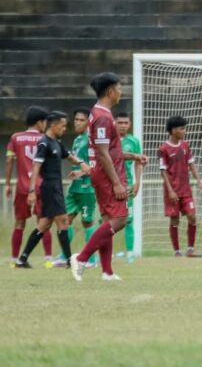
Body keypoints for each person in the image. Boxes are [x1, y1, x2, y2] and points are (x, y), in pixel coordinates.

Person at [70, 72, 147, 281]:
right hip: (107, 175)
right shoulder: (103, 117)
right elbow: (103, 153)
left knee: (108, 220)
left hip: (101, 173)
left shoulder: (98, 113)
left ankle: (107, 271)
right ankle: (82, 257)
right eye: (120, 88)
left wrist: (132, 156)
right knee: (121, 219)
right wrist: (116, 183)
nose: (121, 92)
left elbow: (108, 149)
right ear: (111, 91)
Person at [15, 111, 90, 268]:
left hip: (55, 187)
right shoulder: (44, 143)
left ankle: (22, 259)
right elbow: (36, 167)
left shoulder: (57, 142)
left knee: (44, 224)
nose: (65, 128)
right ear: (53, 126)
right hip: (49, 187)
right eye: (62, 125)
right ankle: (70, 261)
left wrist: (81, 163)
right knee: (63, 222)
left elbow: (68, 155)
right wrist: (31, 192)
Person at [5, 106, 52, 267]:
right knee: (44, 222)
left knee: (19, 223)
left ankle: (13, 259)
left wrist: (8, 184)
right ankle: (48, 259)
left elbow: (9, 160)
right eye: (45, 122)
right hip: (41, 186)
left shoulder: (15, 138)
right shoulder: (45, 138)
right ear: (40, 122)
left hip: (23, 187)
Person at [53, 108, 98, 268]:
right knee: (65, 220)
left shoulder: (92, 140)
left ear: (88, 122)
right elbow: (75, 159)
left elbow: (99, 164)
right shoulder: (78, 140)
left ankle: (91, 260)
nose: (77, 123)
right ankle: (64, 255)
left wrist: (83, 172)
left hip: (88, 188)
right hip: (75, 188)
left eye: (81, 120)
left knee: (88, 222)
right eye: (76, 119)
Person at [159, 116, 202, 257]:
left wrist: (199, 180)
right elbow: (163, 171)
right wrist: (170, 190)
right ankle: (177, 251)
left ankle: (190, 249)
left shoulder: (185, 145)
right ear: (173, 130)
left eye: (184, 128)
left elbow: (191, 164)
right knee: (175, 220)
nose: (184, 131)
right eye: (181, 128)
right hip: (172, 191)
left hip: (186, 190)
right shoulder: (164, 148)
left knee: (192, 216)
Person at [116, 112, 142, 263]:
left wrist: (137, 182)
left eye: (126, 123)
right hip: (109, 186)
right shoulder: (110, 140)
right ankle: (104, 251)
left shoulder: (133, 141)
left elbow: (138, 162)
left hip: (127, 186)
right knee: (104, 220)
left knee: (128, 219)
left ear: (130, 124)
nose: (123, 126)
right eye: (120, 123)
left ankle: (130, 252)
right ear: (115, 123)